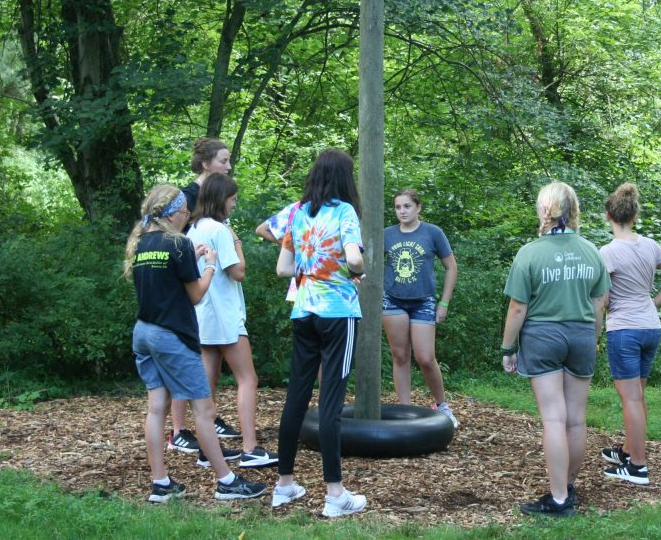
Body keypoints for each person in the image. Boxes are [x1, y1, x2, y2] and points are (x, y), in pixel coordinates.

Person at [123, 185, 266, 503]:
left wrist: (195, 255)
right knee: (204, 410)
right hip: (172, 336)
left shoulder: (143, 242)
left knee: (156, 408)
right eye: (186, 213)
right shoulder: (178, 244)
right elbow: (196, 294)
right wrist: (211, 265)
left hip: (143, 333)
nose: (188, 217)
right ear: (174, 213)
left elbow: (167, 279)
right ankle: (226, 482)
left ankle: (160, 483)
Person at [501, 181, 607, 518]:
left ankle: (559, 499)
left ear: (544, 212)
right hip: (581, 336)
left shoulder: (530, 253)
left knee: (553, 419)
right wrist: (592, 337)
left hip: (543, 337)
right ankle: (568, 486)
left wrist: (508, 348)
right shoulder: (592, 251)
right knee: (575, 420)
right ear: (573, 211)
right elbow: (599, 303)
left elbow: (518, 308)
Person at [272, 149, 368, 518]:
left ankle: (284, 486)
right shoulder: (344, 211)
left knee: (296, 396)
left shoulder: (298, 212)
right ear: (345, 177)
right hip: (338, 313)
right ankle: (335, 495)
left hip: (303, 310)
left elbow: (284, 268)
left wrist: (313, 265)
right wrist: (355, 266)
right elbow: (355, 259)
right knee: (331, 402)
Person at [597, 183, 661, 486]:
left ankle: (638, 466)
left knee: (631, 400)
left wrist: (596, 331)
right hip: (651, 327)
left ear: (608, 215)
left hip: (624, 329)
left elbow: (604, 300)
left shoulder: (607, 253)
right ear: (634, 216)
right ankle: (628, 450)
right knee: (637, 395)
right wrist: (653, 302)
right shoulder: (650, 246)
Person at [187, 174, 277, 468]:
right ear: (221, 199)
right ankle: (250, 447)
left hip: (202, 315)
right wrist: (238, 243)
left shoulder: (193, 229)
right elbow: (237, 271)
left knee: (207, 381)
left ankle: (206, 448)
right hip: (225, 314)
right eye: (233, 199)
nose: (235, 204)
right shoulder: (219, 230)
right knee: (247, 378)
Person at [169, 137, 241, 453]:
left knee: (207, 358)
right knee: (188, 357)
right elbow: (168, 238)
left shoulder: (215, 197)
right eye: (223, 161)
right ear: (205, 164)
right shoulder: (188, 196)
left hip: (209, 288)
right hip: (185, 286)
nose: (228, 166)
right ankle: (178, 429)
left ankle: (206, 419)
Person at [382, 189, 459, 426]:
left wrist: (443, 303)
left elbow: (451, 268)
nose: (402, 211)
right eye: (398, 207)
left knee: (426, 357)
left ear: (418, 208)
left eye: (406, 206)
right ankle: (405, 410)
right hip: (393, 300)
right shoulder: (387, 234)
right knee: (400, 355)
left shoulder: (432, 233)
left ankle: (441, 405)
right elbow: (368, 263)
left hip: (424, 301)